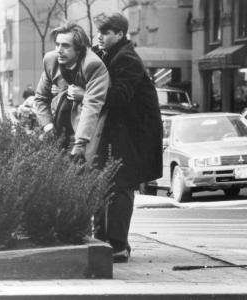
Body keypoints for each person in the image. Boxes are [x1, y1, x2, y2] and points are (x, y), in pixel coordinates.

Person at [93, 12, 163, 263]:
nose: (99, 36)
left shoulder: (126, 59)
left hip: (132, 137)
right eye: (98, 31)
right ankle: (105, 239)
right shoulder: (111, 55)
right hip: (121, 134)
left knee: (120, 188)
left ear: (120, 34)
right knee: (108, 187)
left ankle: (117, 246)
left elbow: (119, 97)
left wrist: (85, 94)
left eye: (105, 32)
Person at [34, 21, 110, 161]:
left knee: (82, 170)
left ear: (79, 49)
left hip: (85, 127)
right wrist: (48, 127)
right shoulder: (51, 60)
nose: (59, 50)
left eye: (65, 46)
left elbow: (92, 105)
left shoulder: (93, 65)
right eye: (57, 44)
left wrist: (79, 143)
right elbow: (40, 98)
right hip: (58, 123)